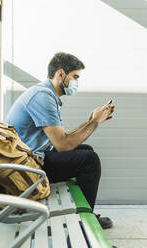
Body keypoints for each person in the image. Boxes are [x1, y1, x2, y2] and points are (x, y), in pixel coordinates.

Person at [6, 52, 115, 229]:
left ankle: (82, 213)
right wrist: (95, 123)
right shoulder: (42, 97)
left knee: (86, 150)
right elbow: (63, 145)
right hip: (27, 166)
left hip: (35, 156)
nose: (77, 83)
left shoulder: (48, 96)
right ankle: (85, 224)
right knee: (90, 161)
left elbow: (64, 139)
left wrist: (90, 121)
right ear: (60, 74)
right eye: (75, 77)